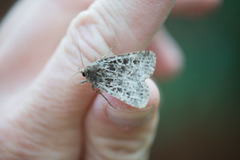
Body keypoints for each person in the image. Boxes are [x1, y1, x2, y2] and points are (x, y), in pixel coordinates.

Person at [0, 0, 221, 159]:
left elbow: (94, 83)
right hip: (116, 73)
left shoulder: (94, 79)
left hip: (114, 79)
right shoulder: (96, 73)